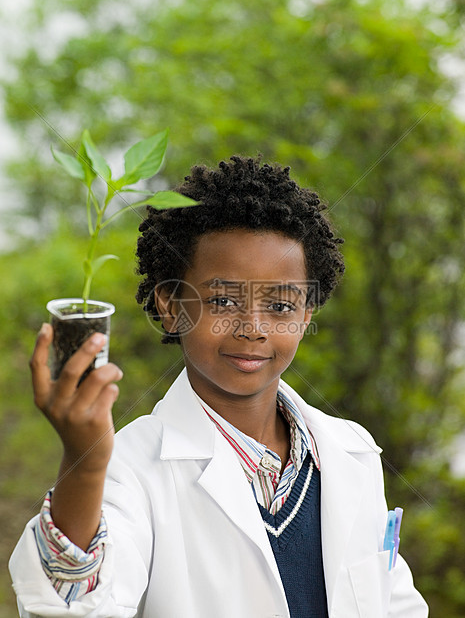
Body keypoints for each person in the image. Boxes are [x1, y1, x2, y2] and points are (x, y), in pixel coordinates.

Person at [10, 156, 428, 617]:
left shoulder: (352, 453)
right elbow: (74, 606)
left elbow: (397, 605)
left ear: (307, 313)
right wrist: (83, 463)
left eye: (281, 306)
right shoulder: (129, 469)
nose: (252, 328)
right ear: (171, 307)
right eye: (222, 300)